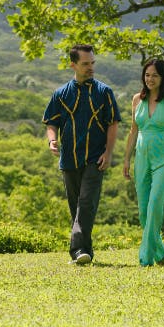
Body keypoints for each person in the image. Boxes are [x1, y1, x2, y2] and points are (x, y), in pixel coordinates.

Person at [44, 44, 120, 266]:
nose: (90, 67)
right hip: (68, 159)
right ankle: (84, 252)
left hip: (95, 158)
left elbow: (113, 123)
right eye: (85, 64)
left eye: (92, 63)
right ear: (73, 65)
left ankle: (77, 250)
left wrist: (108, 152)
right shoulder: (60, 94)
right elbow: (51, 122)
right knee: (76, 208)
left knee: (86, 203)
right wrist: (52, 140)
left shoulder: (104, 92)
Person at [122, 58, 164, 267]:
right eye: (147, 75)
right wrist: (126, 159)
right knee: (143, 211)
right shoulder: (136, 100)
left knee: (155, 204)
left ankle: (146, 258)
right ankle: (160, 254)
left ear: (163, 77)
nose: (150, 79)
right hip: (142, 159)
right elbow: (133, 131)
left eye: (155, 75)